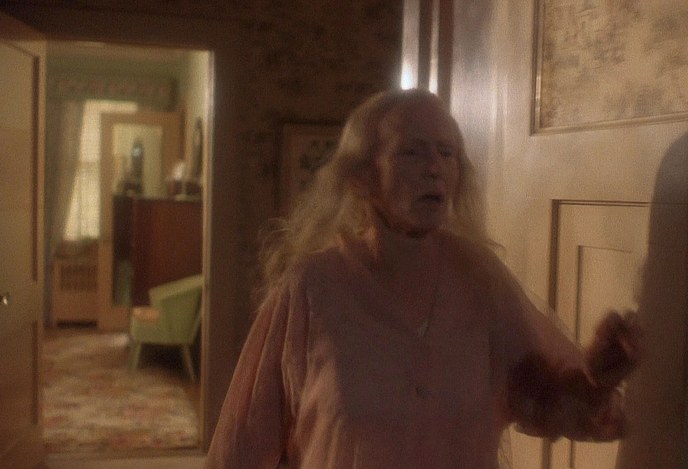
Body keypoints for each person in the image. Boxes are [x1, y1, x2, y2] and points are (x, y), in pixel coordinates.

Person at [206, 88, 640, 468]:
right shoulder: (313, 287)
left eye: (447, 153)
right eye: (411, 152)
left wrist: (599, 380)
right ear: (362, 176)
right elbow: (241, 444)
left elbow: (546, 404)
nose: (434, 168)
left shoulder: (480, 279)